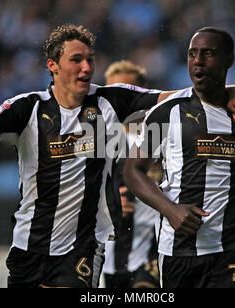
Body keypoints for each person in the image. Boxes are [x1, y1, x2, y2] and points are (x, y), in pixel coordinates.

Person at [0, 24, 235, 289]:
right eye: (76, 59)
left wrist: (233, 90)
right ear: (53, 66)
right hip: (28, 245)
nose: (86, 67)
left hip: (83, 248)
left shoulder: (109, 100)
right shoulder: (28, 108)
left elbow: (179, 96)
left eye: (90, 59)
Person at [124, 27, 235, 288]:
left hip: (234, 245)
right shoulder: (166, 113)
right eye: (192, 54)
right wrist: (169, 210)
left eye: (208, 53)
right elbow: (133, 171)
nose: (197, 61)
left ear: (229, 60)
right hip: (179, 249)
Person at [102, 60, 160, 288]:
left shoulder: (160, 139)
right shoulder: (97, 142)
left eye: (125, 93)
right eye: (112, 93)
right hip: (110, 257)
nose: (117, 101)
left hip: (152, 251)